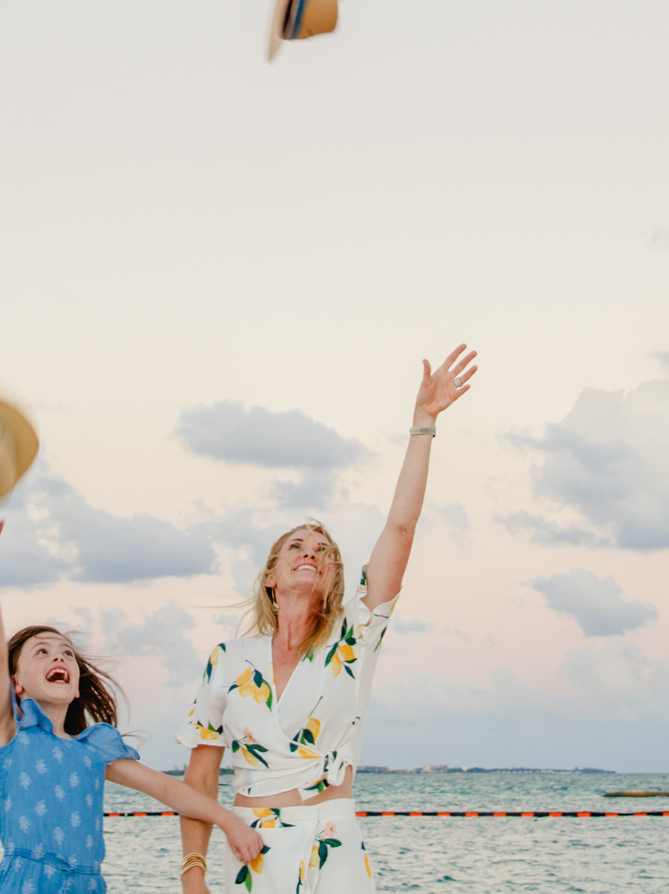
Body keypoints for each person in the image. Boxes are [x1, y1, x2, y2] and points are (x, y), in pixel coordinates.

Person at [174, 345, 478, 893]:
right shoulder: (227, 659)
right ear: (271, 575)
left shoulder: (354, 636)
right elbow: (200, 777)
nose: (310, 551)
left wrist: (423, 425)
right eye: (296, 545)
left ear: (335, 577)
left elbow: (400, 529)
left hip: (331, 842)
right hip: (251, 847)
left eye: (322, 548)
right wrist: (192, 873)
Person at [0, 503, 264, 893]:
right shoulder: (9, 736)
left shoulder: (93, 750)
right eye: (41, 651)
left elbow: (171, 791)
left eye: (66, 653)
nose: (58, 655)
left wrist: (229, 821)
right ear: (15, 685)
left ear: (76, 687)